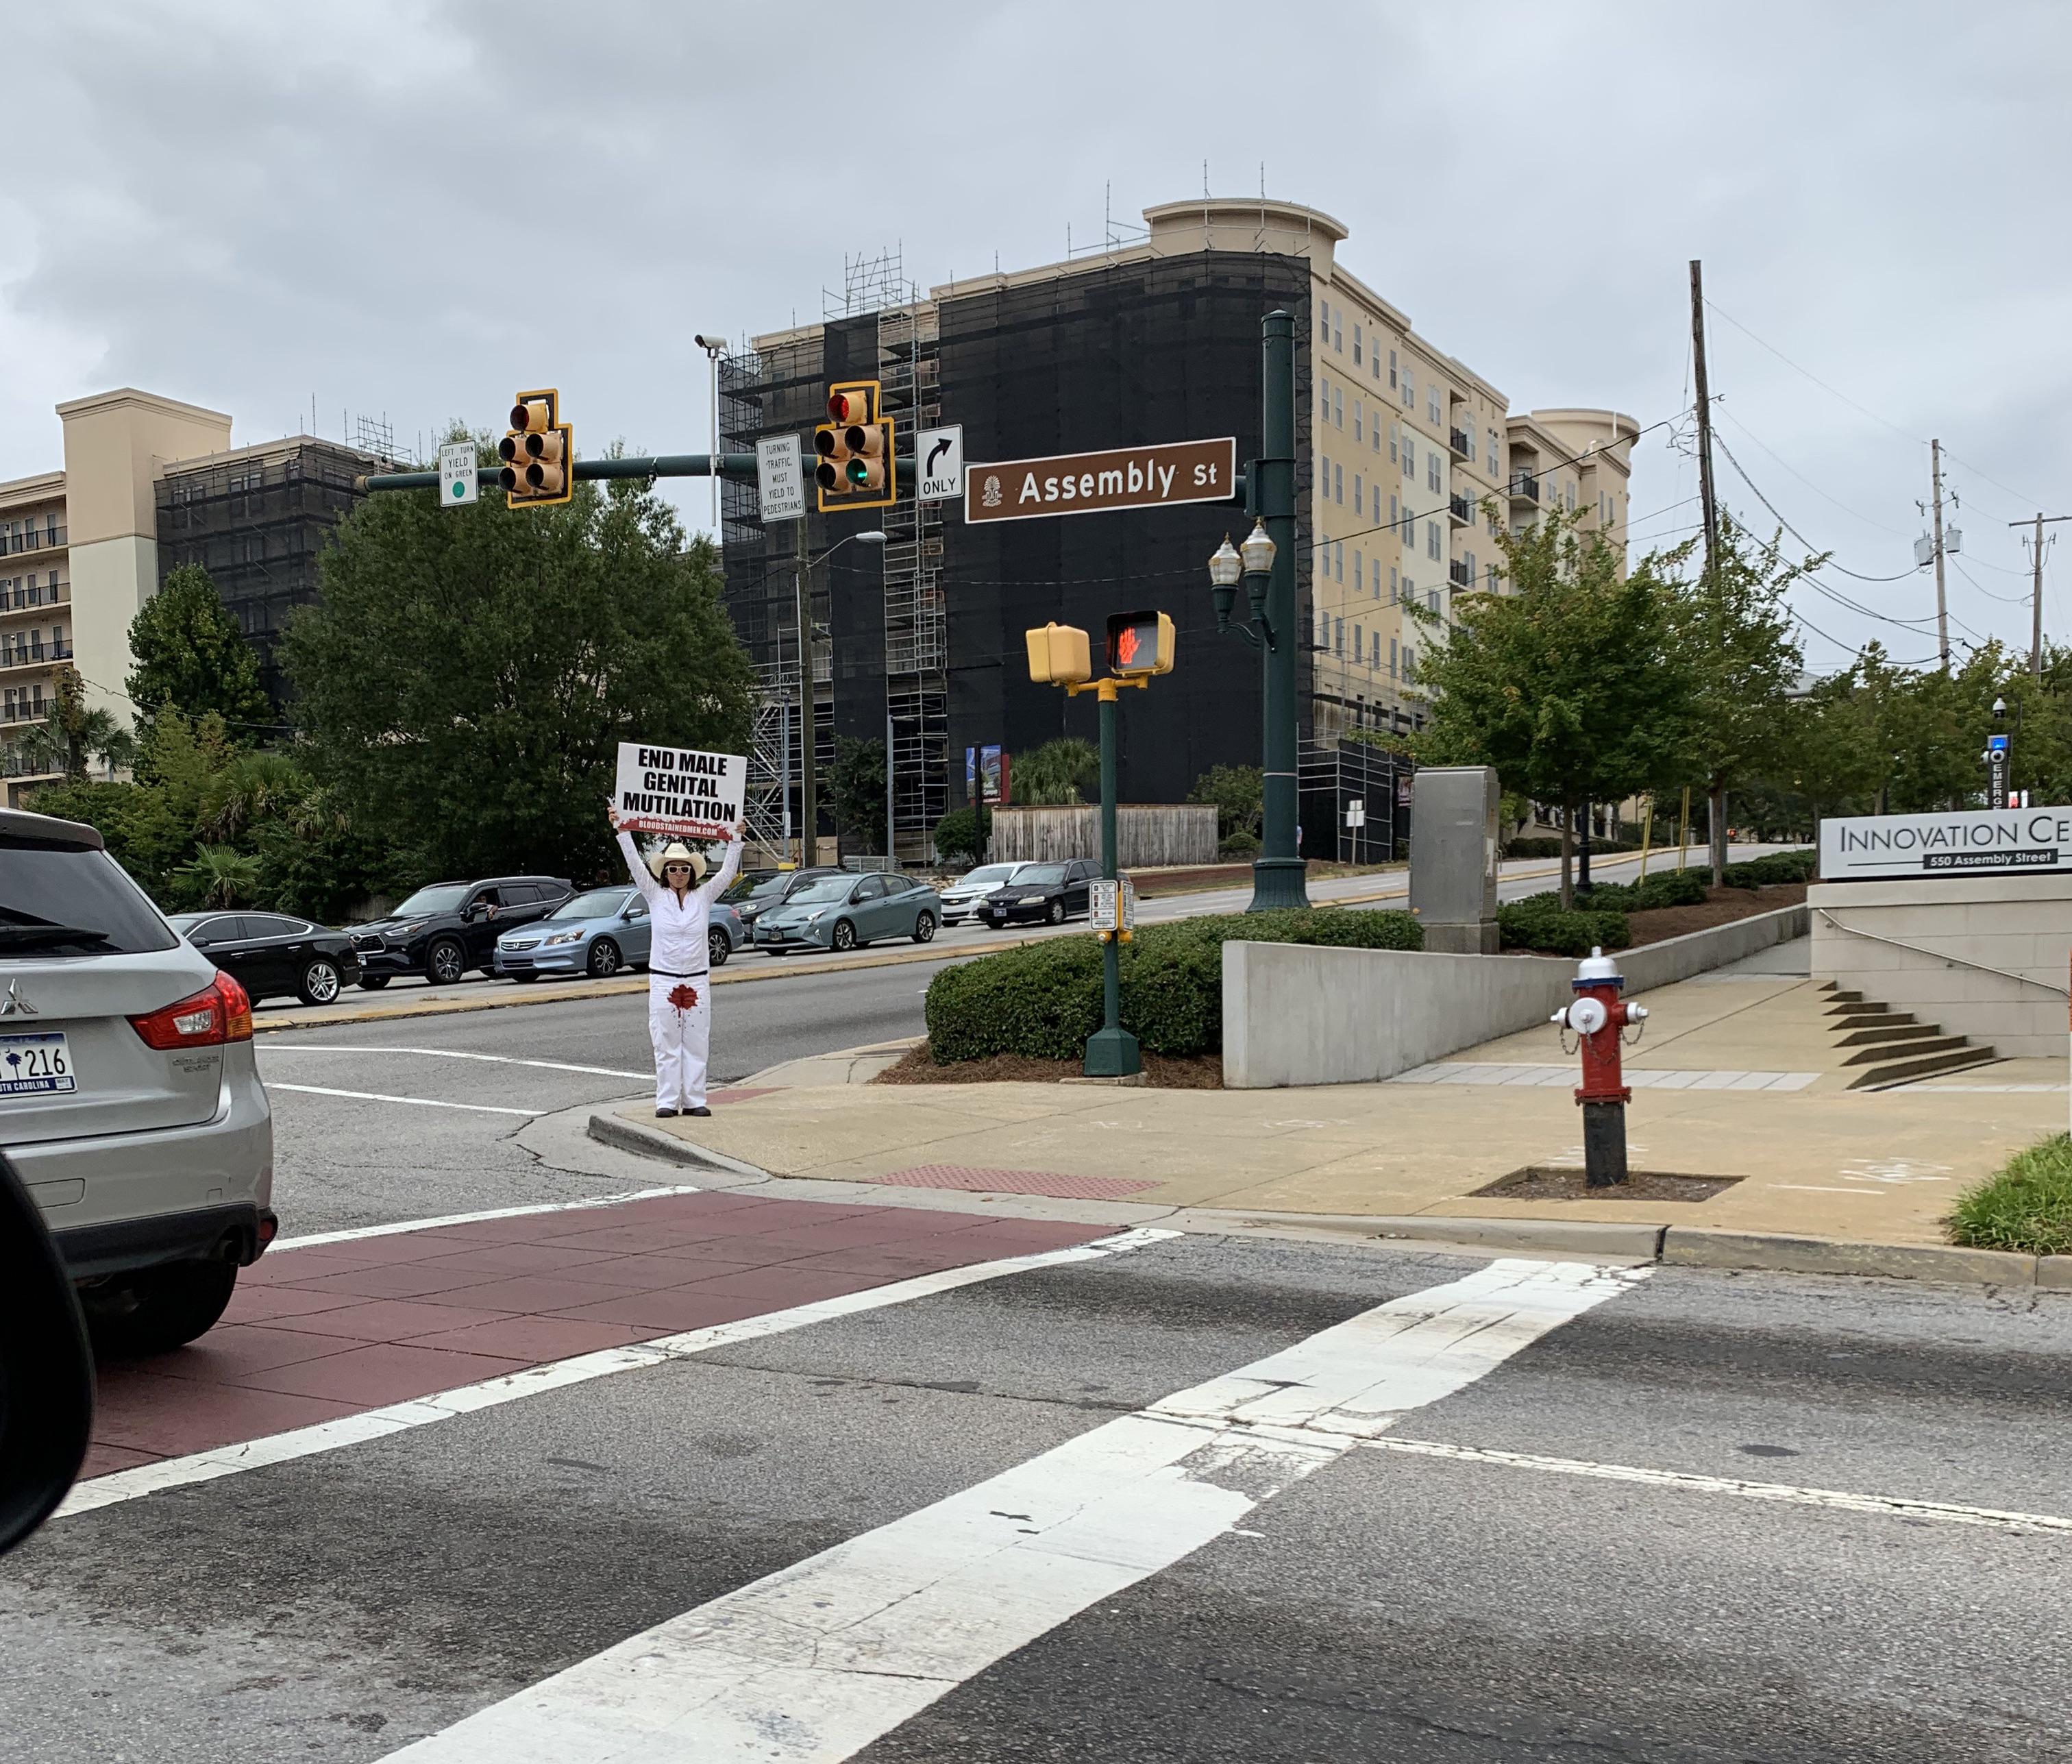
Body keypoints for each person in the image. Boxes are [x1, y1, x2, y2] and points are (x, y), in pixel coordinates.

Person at [610, 808, 743, 1118]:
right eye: (673, 869)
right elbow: (635, 865)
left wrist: (736, 840)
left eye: (684, 869)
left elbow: (726, 874)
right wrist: (622, 829)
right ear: (665, 872)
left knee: (696, 1041)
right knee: (666, 1042)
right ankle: (667, 1101)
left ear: (692, 872)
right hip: (664, 979)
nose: (679, 874)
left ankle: (695, 1099)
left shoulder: (704, 896)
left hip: (697, 978)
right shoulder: (654, 895)